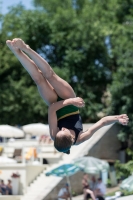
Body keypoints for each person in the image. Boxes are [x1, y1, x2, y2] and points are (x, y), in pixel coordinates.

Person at [6, 38, 129, 154]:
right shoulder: (81, 137)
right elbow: (102, 122)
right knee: (50, 75)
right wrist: (117, 118)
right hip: (68, 99)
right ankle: (23, 49)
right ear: (71, 137)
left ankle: (18, 50)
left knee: (39, 79)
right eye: (63, 131)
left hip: (57, 104)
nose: (62, 128)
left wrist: (71, 101)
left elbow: (52, 109)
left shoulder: (54, 135)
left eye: (59, 131)